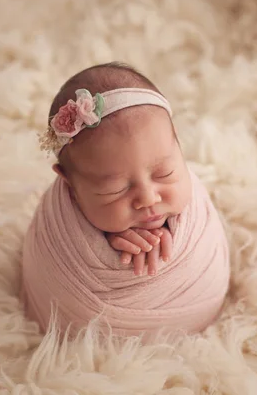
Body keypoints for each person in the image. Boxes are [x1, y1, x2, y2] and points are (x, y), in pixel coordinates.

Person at [40, 62, 192, 276]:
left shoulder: (197, 212)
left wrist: (174, 234)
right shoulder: (58, 225)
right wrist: (105, 244)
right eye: (115, 189)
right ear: (69, 183)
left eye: (164, 173)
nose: (148, 199)